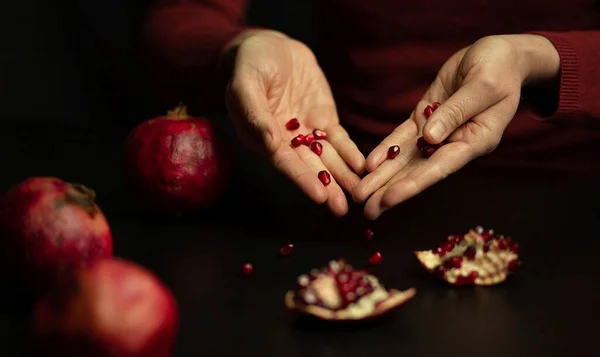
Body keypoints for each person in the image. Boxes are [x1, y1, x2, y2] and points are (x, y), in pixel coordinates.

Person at [143, 0, 600, 219]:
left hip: (573, 198)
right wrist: (239, 45)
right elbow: (179, 16)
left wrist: (544, 59)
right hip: (351, 172)